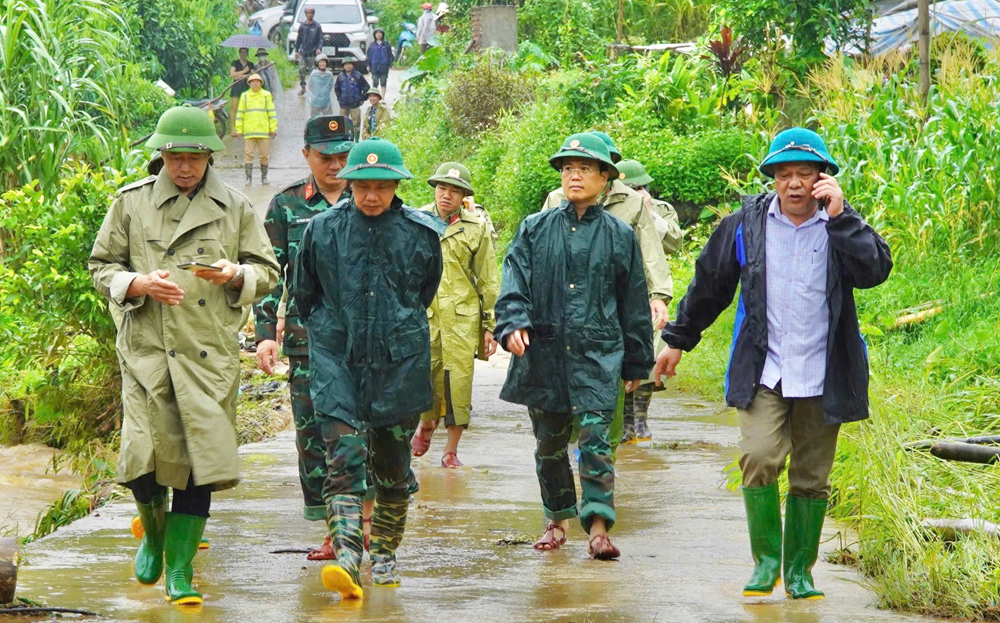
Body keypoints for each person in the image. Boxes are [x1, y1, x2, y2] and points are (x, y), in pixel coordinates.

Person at [653, 128, 892, 600]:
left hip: (824, 370)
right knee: (759, 457)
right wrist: (677, 340)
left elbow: (875, 271)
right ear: (772, 179)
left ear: (823, 177)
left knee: (811, 476)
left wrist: (843, 217)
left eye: (805, 173)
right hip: (765, 369)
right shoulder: (745, 225)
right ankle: (766, 565)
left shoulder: (841, 224)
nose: (795, 184)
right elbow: (709, 286)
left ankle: (799, 572)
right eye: (784, 174)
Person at [88, 106, 279, 606]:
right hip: (148, 352)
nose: (185, 167)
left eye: (194, 156)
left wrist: (235, 274)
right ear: (162, 155)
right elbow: (101, 266)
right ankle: (152, 534)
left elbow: (268, 270)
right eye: (175, 156)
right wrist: (136, 282)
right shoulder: (131, 204)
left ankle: (180, 570)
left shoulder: (234, 207)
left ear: (210, 155)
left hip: (207, 355)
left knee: (201, 465)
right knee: (142, 460)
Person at [294, 138, 445, 600]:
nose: (372, 196)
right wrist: (333, 333)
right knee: (343, 461)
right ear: (349, 183)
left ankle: (384, 552)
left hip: (399, 363)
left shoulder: (421, 233)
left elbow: (424, 291)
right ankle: (346, 559)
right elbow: (305, 294)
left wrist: (394, 329)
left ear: (397, 186)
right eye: (363, 187)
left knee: (393, 469)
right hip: (337, 358)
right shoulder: (321, 230)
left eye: (382, 187)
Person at [495, 133, 654, 561]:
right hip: (544, 354)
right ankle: (556, 519)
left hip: (599, 354)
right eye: (567, 169)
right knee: (548, 444)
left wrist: (637, 360)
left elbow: (634, 301)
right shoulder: (534, 228)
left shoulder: (620, 235)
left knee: (596, 439)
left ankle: (599, 526)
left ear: (606, 178)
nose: (574, 176)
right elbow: (513, 282)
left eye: (584, 168)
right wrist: (512, 323)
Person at [254, 115, 355, 561]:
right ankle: (329, 527)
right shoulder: (286, 205)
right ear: (306, 155)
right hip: (305, 339)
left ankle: (358, 524)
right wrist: (264, 334)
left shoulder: (372, 196)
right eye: (324, 157)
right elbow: (269, 273)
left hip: (360, 341)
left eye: (341, 156)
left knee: (357, 435)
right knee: (312, 435)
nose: (335, 166)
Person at [542, 131, 672, 455]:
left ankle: (602, 449)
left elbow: (650, 249)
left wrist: (658, 295)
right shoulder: (557, 198)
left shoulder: (631, 202)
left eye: (605, 163)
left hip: (615, 301)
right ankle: (575, 445)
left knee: (614, 372)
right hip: (568, 303)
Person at [410, 163, 500, 468]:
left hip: (462, 317)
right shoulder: (417, 221)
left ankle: (451, 450)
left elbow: (487, 277)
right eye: (442, 188)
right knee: (425, 379)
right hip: (425, 315)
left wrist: (490, 325)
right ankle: (426, 425)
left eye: (454, 190)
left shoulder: (475, 227)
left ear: (464, 196)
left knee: (459, 383)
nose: (446, 195)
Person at [615, 158, 684, 444]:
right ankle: (624, 421)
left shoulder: (663, 209)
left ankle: (639, 419)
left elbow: (674, 244)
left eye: (641, 186)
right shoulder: (611, 205)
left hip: (650, 291)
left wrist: (650, 212)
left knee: (649, 356)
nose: (637, 190)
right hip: (620, 288)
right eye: (631, 187)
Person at [235, 73, 277, 187]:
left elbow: (271, 113)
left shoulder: (266, 95)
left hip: (263, 132)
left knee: (264, 155)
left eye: (257, 81)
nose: (255, 83)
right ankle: (248, 178)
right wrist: (239, 129)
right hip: (249, 132)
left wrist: (273, 128)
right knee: (248, 155)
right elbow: (240, 113)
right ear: (249, 83)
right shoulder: (244, 96)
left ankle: (264, 177)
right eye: (252, 81)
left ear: (260, 83)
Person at [335, 59, 369, 141]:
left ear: (353, 65)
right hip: (343, 105)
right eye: (345, 64)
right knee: (343, 123)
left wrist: (362, 98)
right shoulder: (340, 76)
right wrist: (340, 98)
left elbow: (366, 87)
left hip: (355, 105)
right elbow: (337, 89)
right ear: (343, 66)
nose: (348, 66)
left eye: (350, 64)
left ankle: (356, 140)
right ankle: (345, 140)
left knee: (356, 124)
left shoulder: (358, 76)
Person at [296, 6, 324, 96]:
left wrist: (319, 48)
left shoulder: (317, 26)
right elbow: (299, 38)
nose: (309, 15)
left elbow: (320, 38)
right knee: (301, 70)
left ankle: (313, 88)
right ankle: (303, 87)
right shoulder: (302, 26)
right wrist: (296, 50)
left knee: (313, 72)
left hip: (312, 52)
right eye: (308, 13)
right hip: (303, 51)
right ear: (305, 14)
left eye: (311, 13)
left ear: (313, 14)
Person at [228, 48, 255, 135]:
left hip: (247, 87)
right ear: (239, 53)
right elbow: (232, 74)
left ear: (247, 53)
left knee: (247, 108)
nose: (243, 54)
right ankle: (233, 129)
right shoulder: (235, 63)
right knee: (234, 108)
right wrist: (244, 72)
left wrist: (240, 75)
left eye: (245, 52)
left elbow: (253, 75)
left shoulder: (251, 64)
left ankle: (245, 127)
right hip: (236, 87)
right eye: (242, 52)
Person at [368, 28, 393, 99]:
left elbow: (390, 55)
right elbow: (369, 56)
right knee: (375, 82)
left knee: (383, 82)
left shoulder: (386, 45)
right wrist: (368, 65)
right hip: (374, 66)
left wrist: (390, 64)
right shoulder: (371, 45)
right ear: (374, 35)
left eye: (380, 33)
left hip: (384, 67)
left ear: (382, 34)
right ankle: (375, 97)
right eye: (377, 33)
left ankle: (383, 98)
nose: (378, 35)